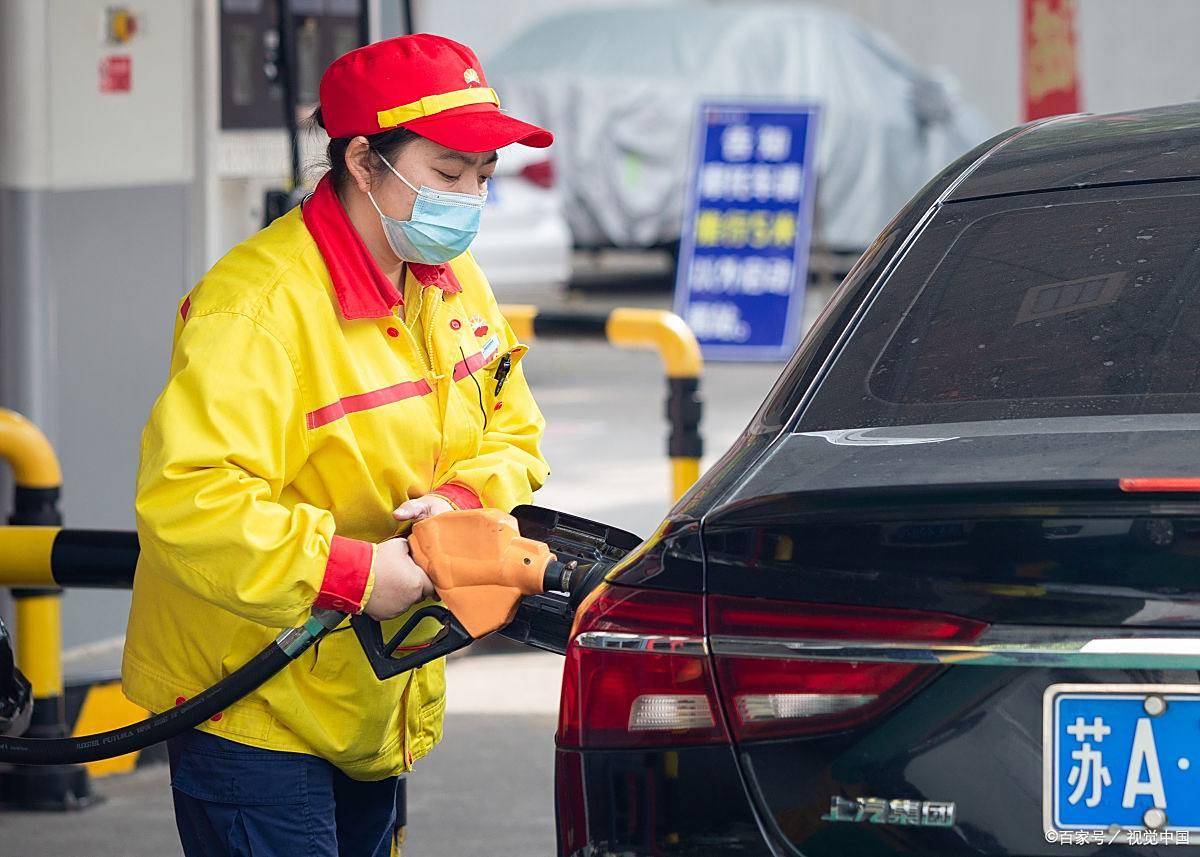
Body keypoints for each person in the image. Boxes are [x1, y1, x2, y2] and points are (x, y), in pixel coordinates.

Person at [122, 34, 552, 856]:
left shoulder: (451, 282)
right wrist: (351, 572)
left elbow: (513, 426)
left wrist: (460, 499)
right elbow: (189, 498)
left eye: (484, 179)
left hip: (371, 686)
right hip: (250, 699)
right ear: (364, 162)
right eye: (448, 175)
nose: (470, 200)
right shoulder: (255, 308)